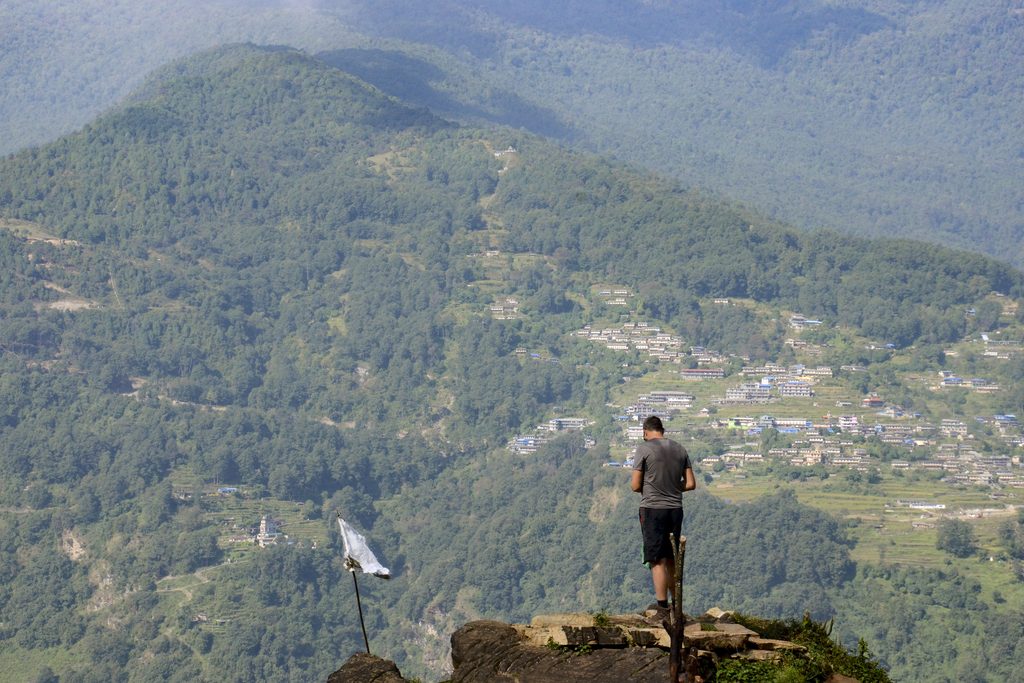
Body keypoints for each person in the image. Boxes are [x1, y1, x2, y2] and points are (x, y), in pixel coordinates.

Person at [631, 415, 696, 614]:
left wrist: (654, 488)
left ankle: (661, 607)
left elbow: (635, 485)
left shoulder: (644, 449)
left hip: (652, 509)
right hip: (675, 509)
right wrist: (672, 488)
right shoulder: (680, 449)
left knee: (656, 559)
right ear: (662, 430)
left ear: (645, 432)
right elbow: (691, 484)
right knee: (671, 557)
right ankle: (676, 605)